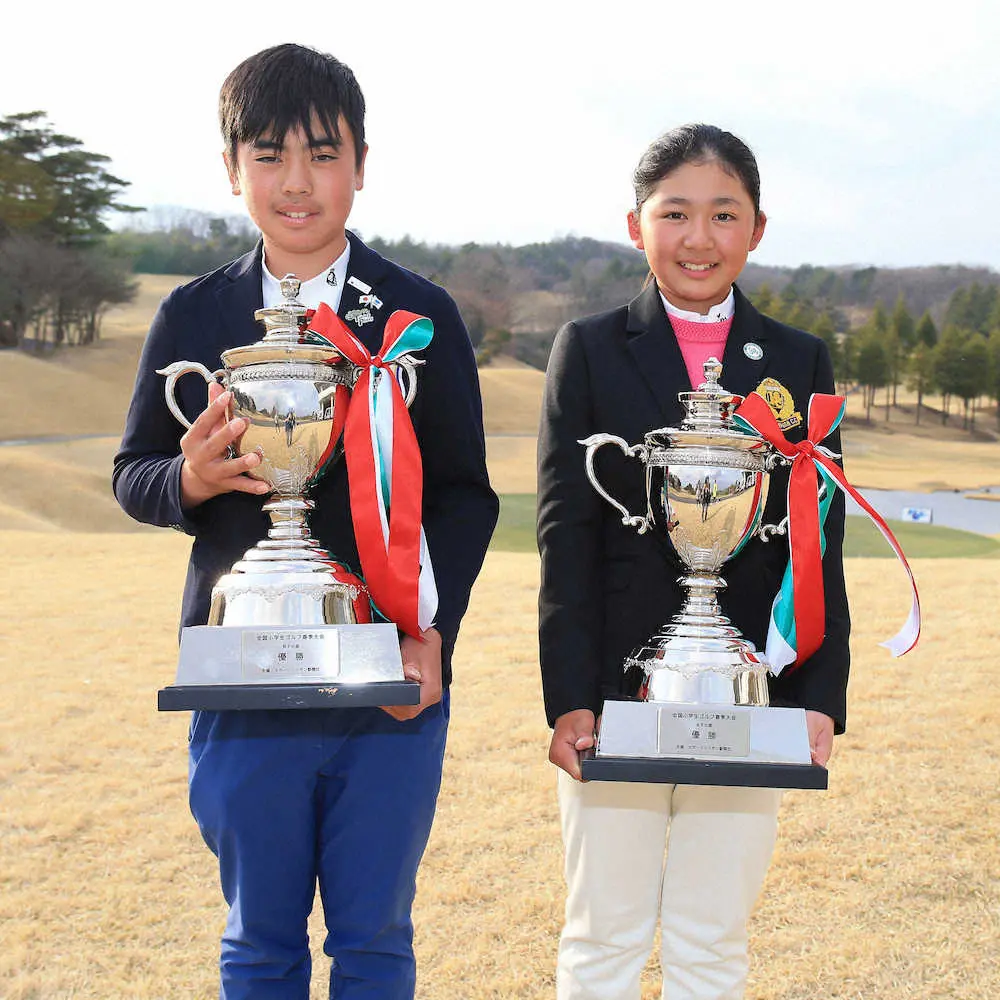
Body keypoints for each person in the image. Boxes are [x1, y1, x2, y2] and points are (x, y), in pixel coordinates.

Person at [113, 43, 498, 1000]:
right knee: (258, 943)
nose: (298, 182)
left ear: (361, 164)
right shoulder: (195, 315)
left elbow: (464, 495)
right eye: (271, 155)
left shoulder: (416, 315)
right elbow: (134, 476)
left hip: (387, 681)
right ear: (232, 168)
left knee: (374, 941)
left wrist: (427, 634)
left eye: (323, 154)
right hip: (242, 681)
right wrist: (191, 480)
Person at [536, 123, 851, 1000]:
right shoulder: (590, 349)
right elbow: (565, 537)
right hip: (618, 698)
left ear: (757, 229)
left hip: (747, 695)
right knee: (604, 934)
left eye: (724, 214)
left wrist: (818, 697)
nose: (699, 238)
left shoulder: (798, 361)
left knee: (712, 940)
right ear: (636, 225)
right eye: (675, 214)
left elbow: (818, 544)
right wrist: (568, 698)